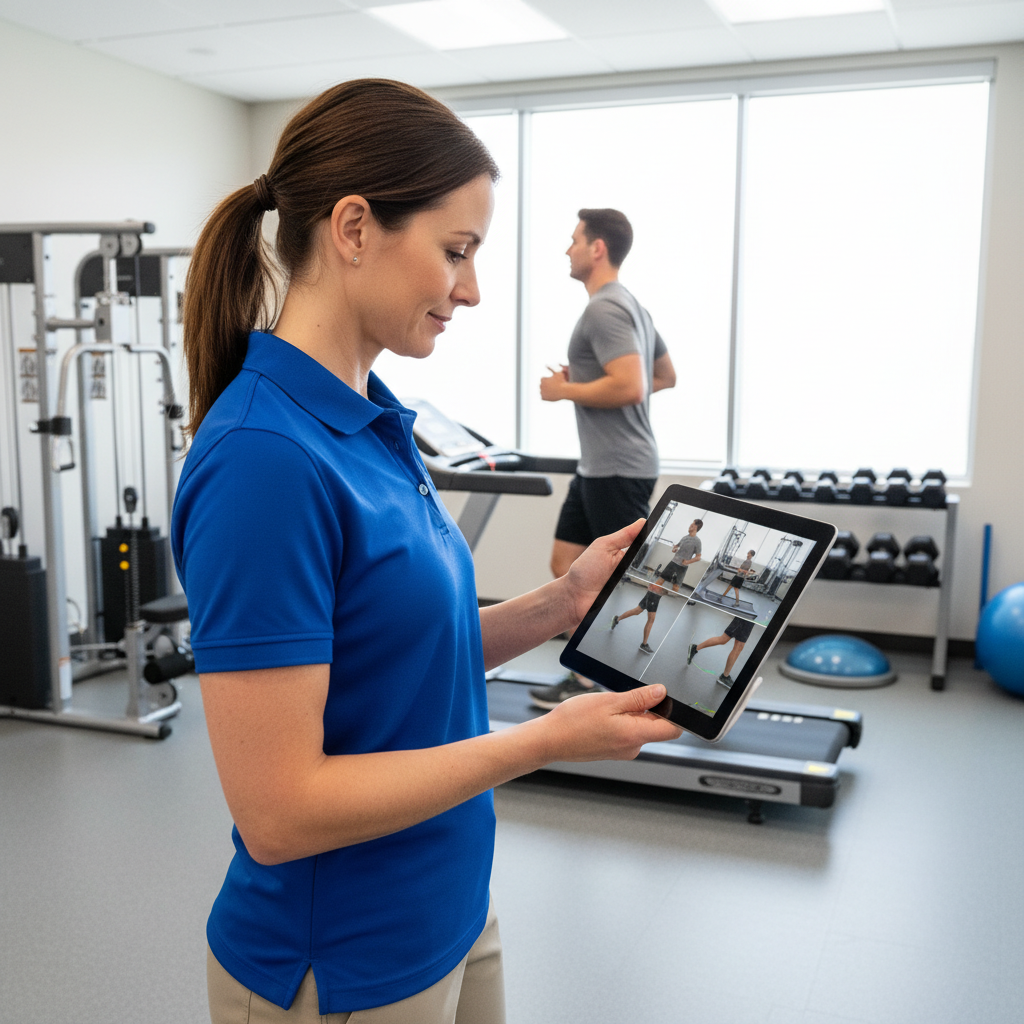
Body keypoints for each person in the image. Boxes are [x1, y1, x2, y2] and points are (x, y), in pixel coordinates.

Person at [171, 79, 682, 1024]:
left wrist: (560, 604)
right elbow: (279, 813)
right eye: (456, 251)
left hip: (449, 902)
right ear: (355, 228)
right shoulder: (264, 461)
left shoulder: (375, 422)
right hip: (342, 964)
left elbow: (406, 654)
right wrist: (541, 743)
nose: (473, 289)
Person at [529, 208, 676, 707]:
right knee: (566, 563)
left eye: (574, 241)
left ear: (597, 249)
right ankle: (590, 672)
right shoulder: (633, 306)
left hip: (619, 468)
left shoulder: (603, 309)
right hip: (599, 466)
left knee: (617, 582)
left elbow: (634, 386)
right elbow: (664, 376)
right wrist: (595, 382)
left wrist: (565, 389)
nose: (567, 250)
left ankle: (615, 684)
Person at [687, 616, 754, 688]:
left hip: (750, 618)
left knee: (732, 643)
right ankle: (724, 677)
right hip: (747, 618)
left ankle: (695, 648)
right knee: (727, 640)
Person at [610, 582, 667, 655]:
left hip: (653, 594)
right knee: (651, 620)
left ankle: (617, 619)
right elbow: (669, 586)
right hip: (654, 596)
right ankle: (644, 644)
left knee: (637, 611)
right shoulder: (675, 571)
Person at [654, 519, 703, 593]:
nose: (690, 526)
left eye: (692, 525)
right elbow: (676, 546)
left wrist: (687, 562)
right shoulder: (684, 538)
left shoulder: (697, 541)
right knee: (661, 579)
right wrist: (674, 549)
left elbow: (698, 557)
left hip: (682, 567)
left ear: (696, 527)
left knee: (676, 587)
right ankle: (652, 591)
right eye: (690, 525)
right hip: (673, 562)